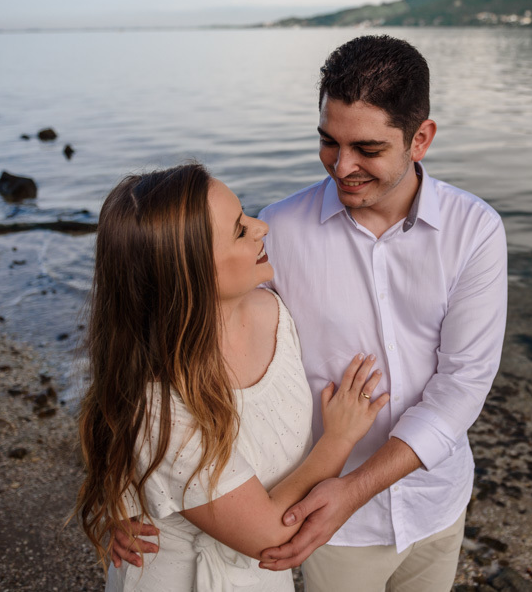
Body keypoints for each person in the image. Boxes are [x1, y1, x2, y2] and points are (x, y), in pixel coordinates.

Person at [115, 35, 508, 591]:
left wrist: (355, 487)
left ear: (421, 138)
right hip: (324, 526)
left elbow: (464, 383)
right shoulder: (279, 231)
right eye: (329, 142)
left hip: (435, 499)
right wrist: (123, 487)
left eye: (367, 149)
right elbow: (161, 332)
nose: (341, 166)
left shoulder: (475, 231)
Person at [75, 163, 389, 591]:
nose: (262, 227)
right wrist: (338, 440)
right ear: (188, 272)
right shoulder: (159, 403)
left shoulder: (273, 311)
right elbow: (270, 535)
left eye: (246, 216)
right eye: (240, 230)